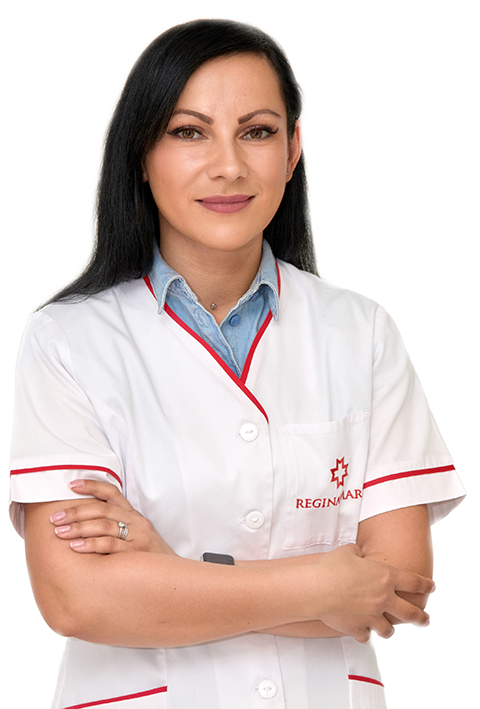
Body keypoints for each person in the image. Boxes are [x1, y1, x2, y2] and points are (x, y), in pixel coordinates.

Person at [9, 18, 465, 709]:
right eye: (188, 132)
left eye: (256, 131)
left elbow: (396, 589)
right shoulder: (68, 340)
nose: (228, 165)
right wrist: (323, 586)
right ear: (141, 154)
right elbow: (76, 598)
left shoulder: (361, 332)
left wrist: (164, 571)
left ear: (292, 150)